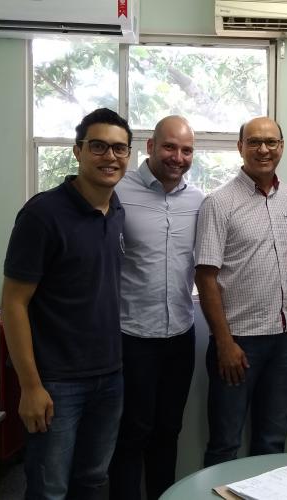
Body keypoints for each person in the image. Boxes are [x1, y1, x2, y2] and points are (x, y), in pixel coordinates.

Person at [1, 108, 131, 499]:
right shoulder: (42, 214)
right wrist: (30, 386)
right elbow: (13, 304)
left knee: (93, 480)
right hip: (56, 381)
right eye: (98, 146)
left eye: (119, 148)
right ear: (77, 152)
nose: (110, 156)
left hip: (109, 376)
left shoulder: (117, 210)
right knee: (49, 488)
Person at [194, 116, 287, 467]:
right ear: (239, 147)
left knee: (272, 441)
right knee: (226, 443)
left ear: (282, 147)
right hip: (238, 343)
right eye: (254, 142)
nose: (263, 149)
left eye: (271, 142)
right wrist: (224, 343)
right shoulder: (219, 202)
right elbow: (205, 276)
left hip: (285, 339)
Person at [108, 116, 202, 499]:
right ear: (149, 146)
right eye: (169, 147)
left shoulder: (198, 200)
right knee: (132, 433)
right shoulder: (117, 192)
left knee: (169, 431)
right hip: (132, 336)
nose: (177, 157)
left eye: (186, 150)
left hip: (180, 334)